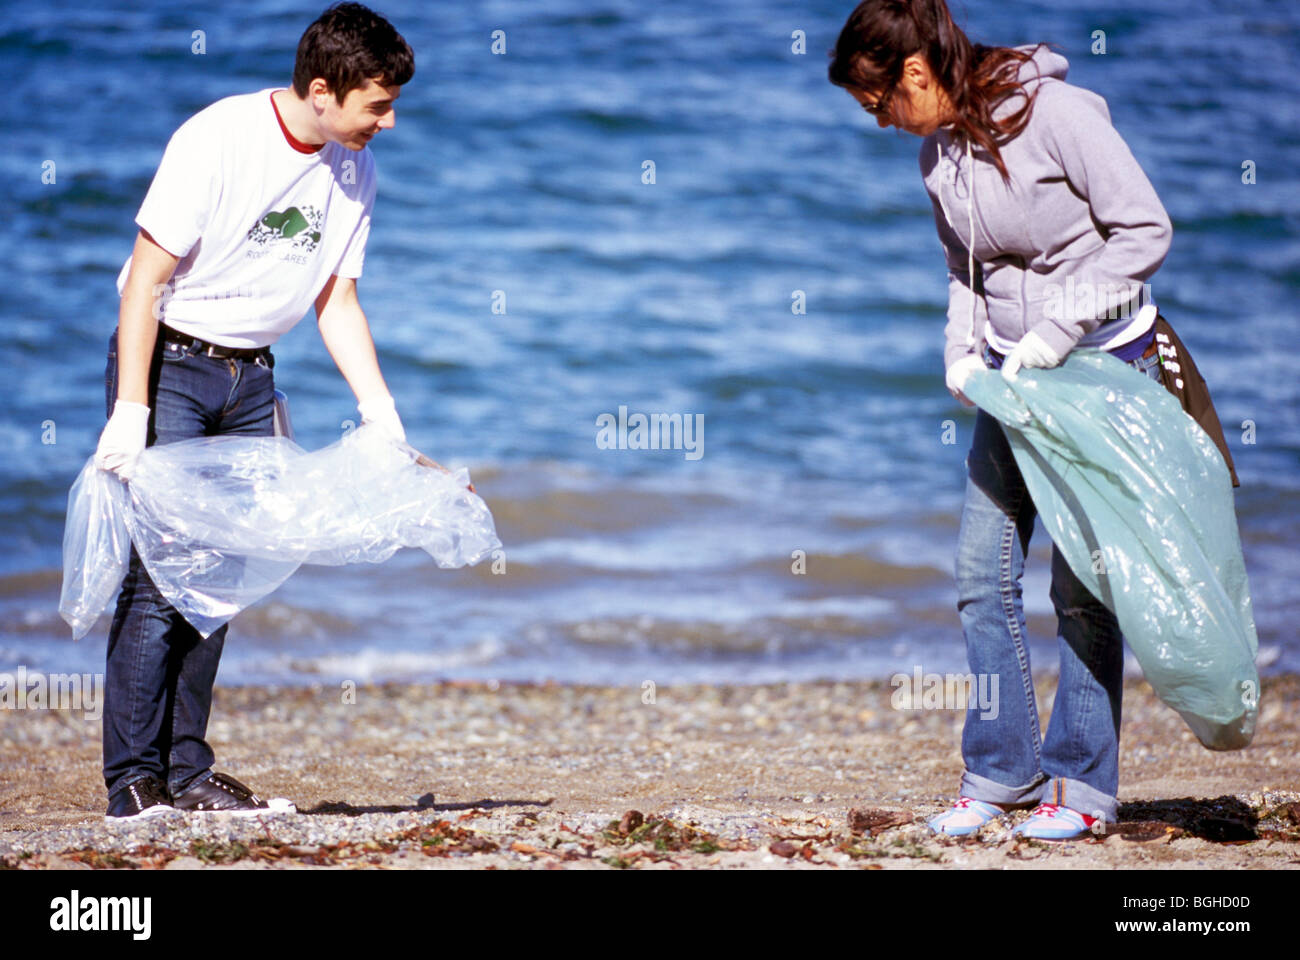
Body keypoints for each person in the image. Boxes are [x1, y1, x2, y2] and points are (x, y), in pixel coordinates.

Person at [829, 0, 1176, 840]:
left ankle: (1084, 789)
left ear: (916, 73)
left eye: (880, 103)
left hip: (1100, 371)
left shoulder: (1058, 115)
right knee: (981, 576)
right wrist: (962, 352)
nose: (880, 122)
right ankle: (1001, 772)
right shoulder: (936, 153)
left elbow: (1144, 230)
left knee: (1082, 588)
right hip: (1012, 384)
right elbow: (965, 271)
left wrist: (1058, 334)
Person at [94, 2, 414, 819]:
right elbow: (144, 281)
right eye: (377, 103)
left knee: (221, 577)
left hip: (251, 382)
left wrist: (382, 415)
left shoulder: (354, 167)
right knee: (161, 578)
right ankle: (132, 781)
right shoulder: (218, 139)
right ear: (321, 90)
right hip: (169, 366)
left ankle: (188, 771)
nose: (388, 119)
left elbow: (336, 301)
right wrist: (130, 412)